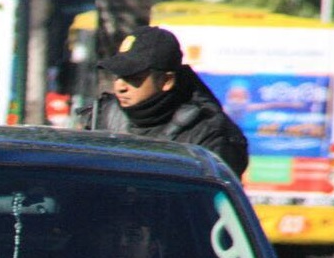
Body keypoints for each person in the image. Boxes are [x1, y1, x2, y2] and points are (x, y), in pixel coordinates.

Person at [80, 26, 249, 177]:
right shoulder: (100, 117)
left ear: (166, 81)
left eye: (134, 78)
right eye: (118, 76)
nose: (120, 87)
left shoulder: (207, 132)